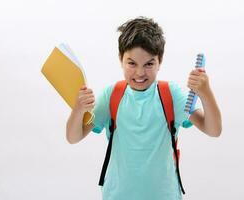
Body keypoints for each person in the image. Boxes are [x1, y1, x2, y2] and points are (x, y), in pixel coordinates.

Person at [66, 16, 222, 200]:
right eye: (132, 63)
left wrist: (206, 93)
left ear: (160, 61)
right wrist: (78, 110)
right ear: (120, 59)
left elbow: (213, 130)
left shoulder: (170, 94)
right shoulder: (112, 94)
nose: (140, 73)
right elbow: (73, 137)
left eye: (149, 64)